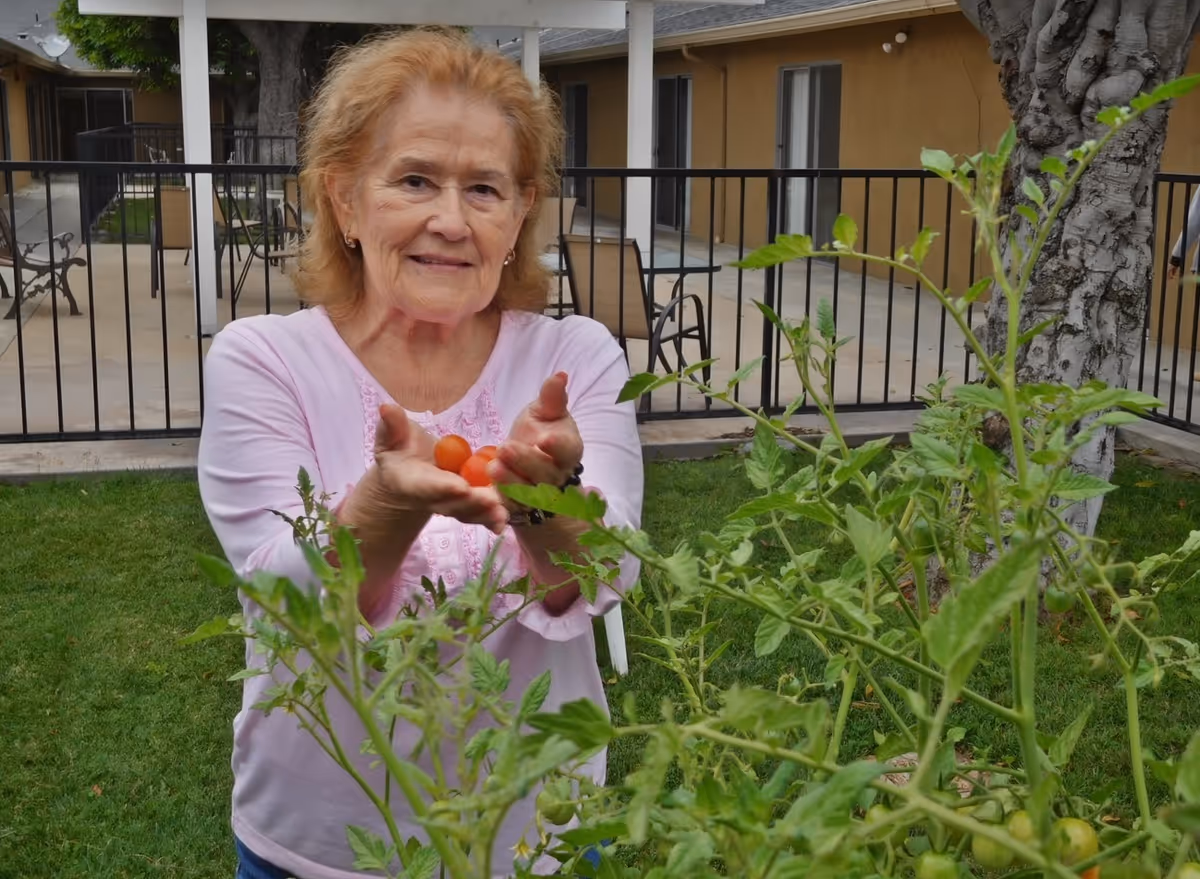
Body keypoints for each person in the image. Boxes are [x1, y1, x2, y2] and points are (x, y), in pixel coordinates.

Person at [196, 28, 644, 879]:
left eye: (484, 188)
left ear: (519, 216)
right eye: (413, 180)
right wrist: (384, 506)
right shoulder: (263, 359)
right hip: (323, 840)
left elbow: (605, 577)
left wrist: (548, 501)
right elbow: (283, 602)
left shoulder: (576, 357)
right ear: (344, 199)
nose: (450, 219)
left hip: (535, 830)